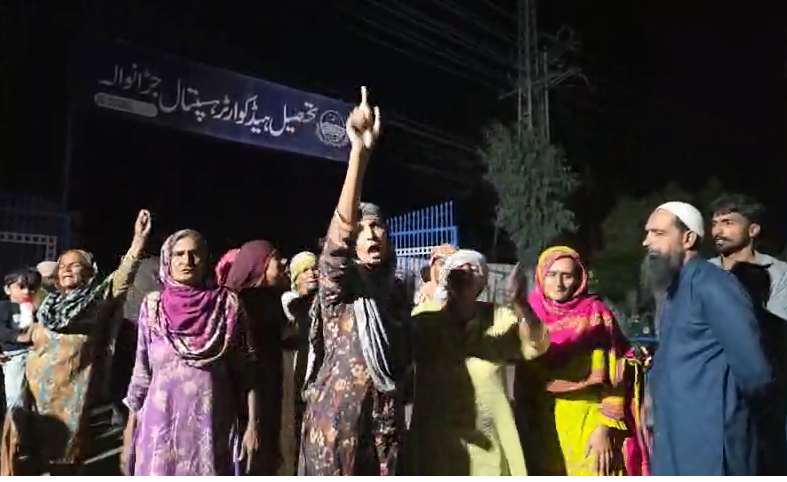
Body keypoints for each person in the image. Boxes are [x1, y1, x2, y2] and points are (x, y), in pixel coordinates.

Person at [299, 87, 408, 476]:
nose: (372, 233)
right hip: (338, 424)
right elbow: (338, 240)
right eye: (363, 229)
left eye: (378, 226)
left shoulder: (395, 293)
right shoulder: (341, 287)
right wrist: (359, 154)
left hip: (384, 426)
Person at [642, 201, 771, 476]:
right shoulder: (673, 290)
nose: (647, 241)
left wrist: (728, 417)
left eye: (659, 233)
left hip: (711, 441)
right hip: (675, 436)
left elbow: (754, 372)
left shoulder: (713, 285)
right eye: (648, 233)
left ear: (688, 238)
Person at [20, 210, 150, 475]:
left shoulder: (98, 303)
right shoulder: (46, 303)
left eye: (75, 264)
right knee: (30, 461)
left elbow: (123, 276)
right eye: (63, 265)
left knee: (65, 463)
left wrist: (138, 241)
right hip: (34, 395)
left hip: (72, 402)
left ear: (90, 272)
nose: (67, 268)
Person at [122, 230, 259, 476]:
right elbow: (142, 374)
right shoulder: (153, 307)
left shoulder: (227, 306)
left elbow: (247, 371)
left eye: (195, 254)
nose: (187, 260)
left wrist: (252, 426)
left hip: (210, 429)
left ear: (206, 261)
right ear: (168, 260)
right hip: (159, 429)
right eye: (179, 254)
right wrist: (129, 434)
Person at [408, 249, 549, 475]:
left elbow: (536, 344)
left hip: (489, 447)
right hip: (436, 445)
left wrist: (522, 305)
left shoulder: (499, 317)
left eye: (473, 269)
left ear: (482, 283)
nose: (465, 271)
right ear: (446, 278)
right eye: (458, 267)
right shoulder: (424, 319)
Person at [516, 246, 633, 476]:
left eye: (567, 275)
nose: (559, 283)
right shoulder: (530, 316)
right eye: (552, 274)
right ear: (541, 276)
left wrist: (606, 427)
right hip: (542, 425)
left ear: (579, 279)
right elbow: (524, 378)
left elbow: (617, 371)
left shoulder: (596, 314)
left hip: (589, 420)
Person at [220, 240, 289, 475]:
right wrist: (252, 421)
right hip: (245, 403)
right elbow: (246, 365)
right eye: (276, 258)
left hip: (270, 397)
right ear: (260, 265)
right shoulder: (238, 306)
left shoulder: (271, 299)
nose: (283, 262)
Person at [708, 194, 787, 321]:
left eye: (728, 223)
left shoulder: (779, 273)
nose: (717, 231)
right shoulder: (702, 272)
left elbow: (778, 324)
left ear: (753, 230)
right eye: (714, 224)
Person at [280, 250, 318, 467]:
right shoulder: (290, 302)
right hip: (295, 374)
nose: (311, 274)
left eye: (314, 269)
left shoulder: (318, 302)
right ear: (295, 277)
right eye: (305, 270)